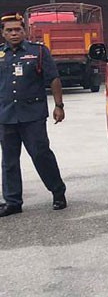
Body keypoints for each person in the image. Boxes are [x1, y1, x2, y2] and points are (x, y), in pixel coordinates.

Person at [0, 13, 67, 217]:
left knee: (40, 154)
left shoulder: (38, 51)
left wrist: (59, 105)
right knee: (9, 160)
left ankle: (57, 192)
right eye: (9, 30)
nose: (13, 33)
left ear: (25, 31)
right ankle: (12, 201)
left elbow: (53, 78)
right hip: (5, 115)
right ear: (2, 33)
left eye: (17, 30)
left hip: (33, 115)